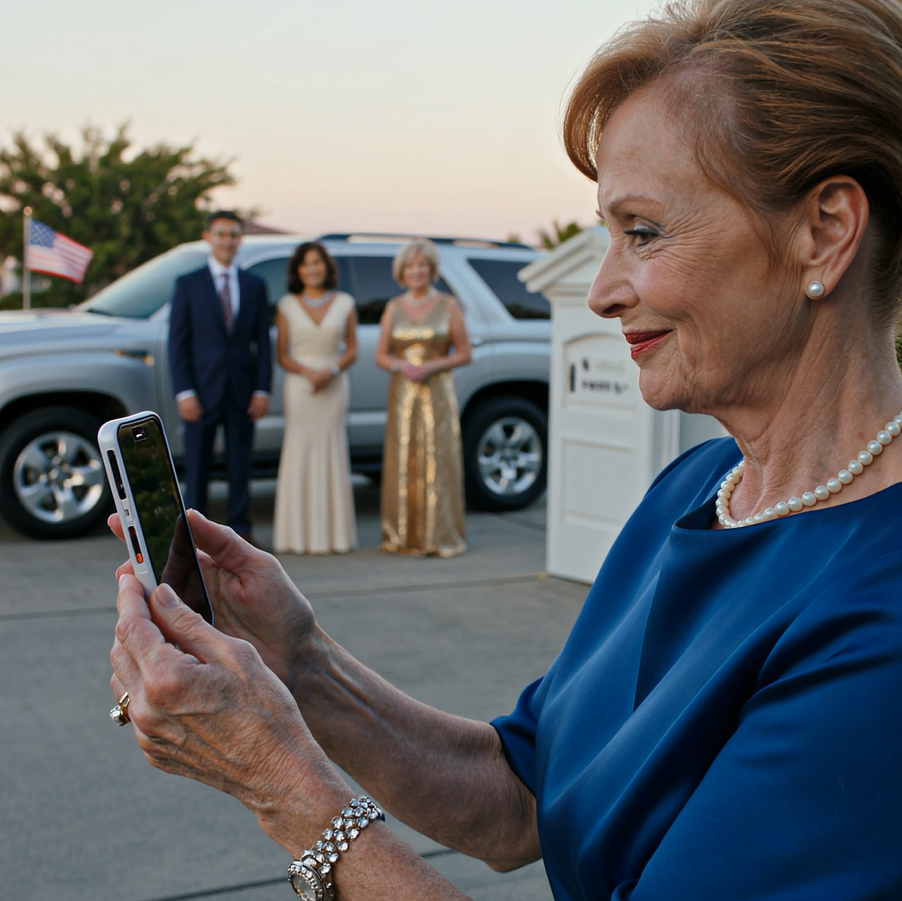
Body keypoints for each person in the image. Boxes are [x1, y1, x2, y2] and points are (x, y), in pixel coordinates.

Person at [110, 1, 902, 898]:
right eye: (604, 234)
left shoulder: (882, 616)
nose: (602, 289)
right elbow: (523, 792)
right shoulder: (699, 486)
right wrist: (302, 662)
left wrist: (277, 776)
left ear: (826, 230)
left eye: (642, 232)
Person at [168, 210, 271, 540]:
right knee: (197, 465)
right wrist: (184, 391)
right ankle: (193, 533)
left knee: (240, 465)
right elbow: (178, 342)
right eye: (221, 233)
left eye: (234, 234)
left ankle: (239, 529)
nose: (227, 240)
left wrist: (262, 390)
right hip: (200, 391)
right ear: (207, 237)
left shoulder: (255, 285)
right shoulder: (188, 284)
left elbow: (262, 344)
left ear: (241, 239)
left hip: (241, 391)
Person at [374, 239, 471, 557]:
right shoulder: (393, 307)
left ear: (431, 269)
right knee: (403, 460)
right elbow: (381, 355)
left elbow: (464, 353)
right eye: (410, 266)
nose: (416, 271)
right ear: (402, 271)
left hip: (437, 392)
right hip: (402, 394)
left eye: (422, 265)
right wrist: (400, 365)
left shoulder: (448, 305)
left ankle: (438, 536)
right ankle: (401, 535)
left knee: (437, 460)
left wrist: (434, 365)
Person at [273, 242, 358, 554]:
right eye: (306, 263)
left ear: (327, 267)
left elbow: (352, 349)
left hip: (333, 388)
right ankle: (296, 536)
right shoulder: (286, 306)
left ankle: (333, 537)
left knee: (331, 450)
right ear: (298, 270)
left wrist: (331, 371)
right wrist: (308, 372)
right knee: (299, 451)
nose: (312, 268)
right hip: (300, 388)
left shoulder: (345, 303)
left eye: (318, 262)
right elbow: (282, 354)